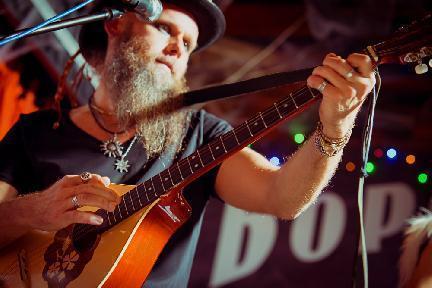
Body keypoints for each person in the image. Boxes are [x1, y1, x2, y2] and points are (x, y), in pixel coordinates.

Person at [0, 0, 376, 286]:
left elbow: (281, 196)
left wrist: (335, 128)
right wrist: (34, 211)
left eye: (188, 43)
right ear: (115, 25)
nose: (179, 49)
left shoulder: (201, 134)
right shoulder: (34, 132)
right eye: (165, 29)